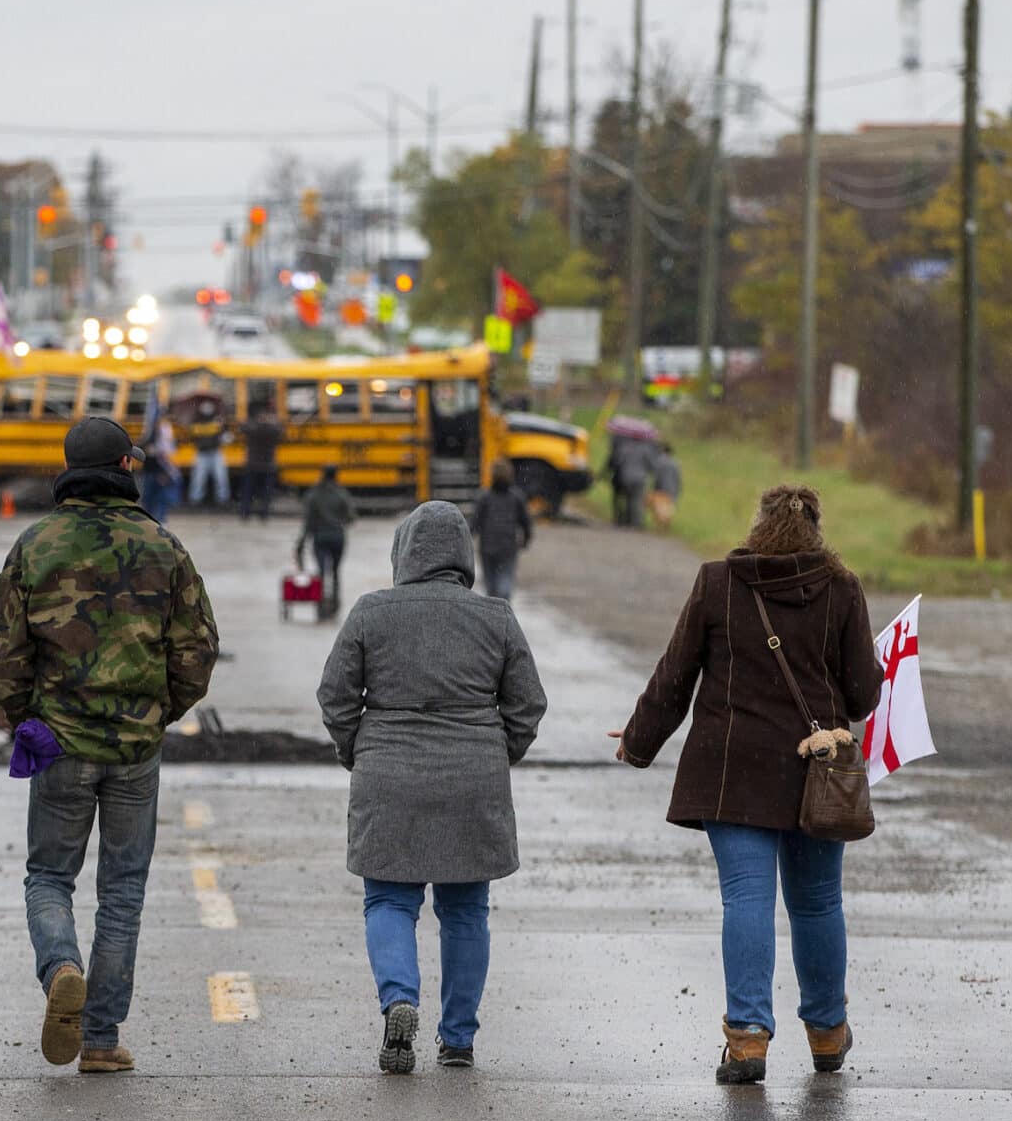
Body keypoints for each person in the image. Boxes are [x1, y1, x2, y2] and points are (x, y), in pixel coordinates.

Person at [612, 485, 880, 1085]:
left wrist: (637, 740)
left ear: (758, 525)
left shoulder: (717, 582)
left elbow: (675, 674)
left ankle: (749, 1040)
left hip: (733, 771)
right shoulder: (841, 590)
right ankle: (828, 1032)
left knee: (747, 901)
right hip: (817, 773)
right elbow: (862, 695)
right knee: (817, 903)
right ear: (817, 529)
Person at [0, 416, 219, 1074]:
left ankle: (62, 966)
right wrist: (160, 710)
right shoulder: (162, 547)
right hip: (135, 747)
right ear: (125, 466)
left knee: (48, 876)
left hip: (58, 740)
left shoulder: (36, 544)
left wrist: (23, 713)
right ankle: (102, 1038)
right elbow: (198, 648)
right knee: (122, 891)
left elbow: (2, 644)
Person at [317, 503, 546, 1074]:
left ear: (404, 552)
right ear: (463, 555)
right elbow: (527, 702)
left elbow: (335, 695)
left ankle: (399, 1000)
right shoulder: (496, 616)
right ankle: (459, 1038)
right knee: (467, 910)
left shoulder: (371, 613)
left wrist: (356, 750)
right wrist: (497, 753)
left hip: (388, 775)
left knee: (390, 900)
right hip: (473, 780)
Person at [471, 459, 535, 602]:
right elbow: (526, 522)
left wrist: (468, 537)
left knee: (490, 585)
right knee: (505, 581)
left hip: (488, 547)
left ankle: (493, 612)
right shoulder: (516, 497)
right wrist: (526, 539)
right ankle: (503, 609)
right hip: (508, 547)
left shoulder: (484, 497)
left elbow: (475, 523)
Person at [297, 465, 354, 621]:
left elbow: (308, 521)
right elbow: (351, 517)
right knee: (336, 572)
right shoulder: (341, 493)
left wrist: (301, 543)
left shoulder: (313, 494)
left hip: (320, 537)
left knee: (321, 573)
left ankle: (321, 606)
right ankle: (335, 606)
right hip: (338, 537)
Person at [238, 401, 284, 523]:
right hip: (268, 465)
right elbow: (281, 430)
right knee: (266, 493)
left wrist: (256, 422)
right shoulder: (271, 429)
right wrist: (272, 421)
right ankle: (263, 514)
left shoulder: (253, 428)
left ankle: (245, 512)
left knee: (248, 491)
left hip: (252, 464)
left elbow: (243, 427)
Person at [186, 394, 231, 508]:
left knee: (221, 477)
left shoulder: (218, 418)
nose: (207, 407)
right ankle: (195, 499)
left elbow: (225, 433)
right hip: (202, 453)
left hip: (215, 452)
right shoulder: (195, 420)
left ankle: (223, 499)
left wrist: (222, 427)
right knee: (198, 478)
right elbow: (192, 434)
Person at [139, 410, 180, 523]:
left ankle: (160, 519)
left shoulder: (165, 432)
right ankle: (148, 519)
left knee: (161, 497)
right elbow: (142, 448)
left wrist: (165, 472)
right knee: (149, 497)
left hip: (161, 471)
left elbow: (168, 454)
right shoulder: (149, 434)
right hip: (150, 471)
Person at [608, 434, 653, 529]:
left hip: (625, 477)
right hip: (639, 478)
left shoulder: (625, 447)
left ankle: (625, 520)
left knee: (627, 499)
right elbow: (651, 464)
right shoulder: (645, 449)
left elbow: (618, 461)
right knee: (636, 500)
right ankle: (636, 523)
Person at [649, 443, 683, 531]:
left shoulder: (659, 462)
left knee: (659, 510)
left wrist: (654, 488)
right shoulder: (676, 463)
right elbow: (678, 479)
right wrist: (678, 490)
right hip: (673, 490)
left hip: (661, 490)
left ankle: (659, 527)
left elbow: (656, 477)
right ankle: (666, 526)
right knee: (668, 509)